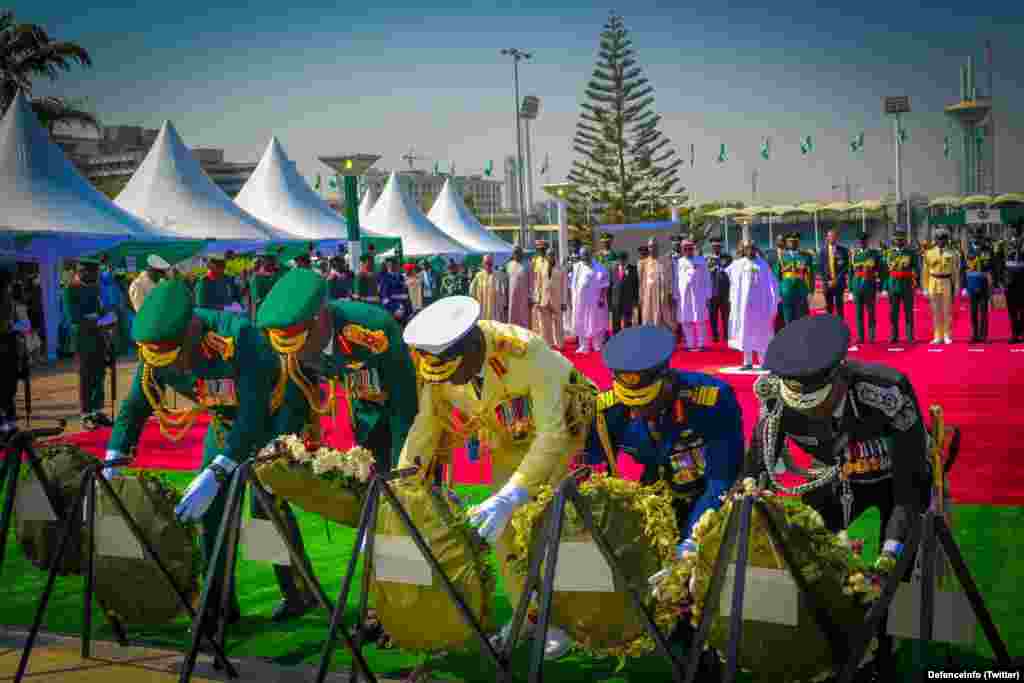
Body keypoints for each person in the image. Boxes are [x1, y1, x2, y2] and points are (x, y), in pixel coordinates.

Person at [105, 280, 320, 630]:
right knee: (212, 513)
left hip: (274, 412)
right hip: (225, 419)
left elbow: (253, 414)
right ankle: (218, 605)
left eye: (178, 354)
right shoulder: (160, 348)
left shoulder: (239, 338)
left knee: (265, 509)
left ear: (191, 329)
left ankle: (298, 592)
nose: (176, 366)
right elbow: (134, 407)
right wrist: (112, 463)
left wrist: (219, 470)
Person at [401, 296, 599, 660]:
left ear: (472, 347)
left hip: (566, 434)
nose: (448, 383)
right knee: (504, 536)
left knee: (553, 527)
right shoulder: (439, 365)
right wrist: (400, 488)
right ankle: (530, 616)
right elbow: (426, 427)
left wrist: (513, 494)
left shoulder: (524, 352)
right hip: (509, 440)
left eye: (452, 372)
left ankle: (573, 619)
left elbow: (553, 435)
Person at [745, 314, 932, 677]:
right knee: (807, 554)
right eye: (803, 407)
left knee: (896, 573)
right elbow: (758, 465)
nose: (812, 412)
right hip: (832, 477)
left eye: (819, 403)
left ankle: (888, 647)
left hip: (895, 479)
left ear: (840, 379)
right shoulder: (776, 394)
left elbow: (911, 486)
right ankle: (827, 640)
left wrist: (889, 557)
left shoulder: (887, 391)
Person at [585, 324, 743, 577]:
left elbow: (721, 478)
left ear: (666, 382)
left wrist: (693, 541)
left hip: (708, 501)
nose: (635, 411)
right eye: (630, 402)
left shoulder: (710, 400)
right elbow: (595, 472)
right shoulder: (612, 408)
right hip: (653, 501)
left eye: (645, 401)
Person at [62, 258, 114, 429]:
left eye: (96, 274)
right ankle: (86, 414)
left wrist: (108, 318)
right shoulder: (70, 290)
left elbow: (100, 311)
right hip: (82, 340)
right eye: (93, 274)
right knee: (86, 377)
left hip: (98, 338)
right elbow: (74, 319)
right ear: (82, 271)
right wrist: (97, 320)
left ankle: (97, 411)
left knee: (99, 375)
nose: (96, 277)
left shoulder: (95, 288)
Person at [725, 241, 779, 370]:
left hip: (761, 306)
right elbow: (728, 272)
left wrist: (773, 301)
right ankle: (747, 362)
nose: (750, 251)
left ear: (756, 250)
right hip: (745, 307)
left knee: (762, 333)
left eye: (752, 249)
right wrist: (738, 254)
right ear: (744, 250)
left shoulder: (763, 265)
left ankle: (763, 361)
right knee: (745, 332)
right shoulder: (739, 264)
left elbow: (772, 284)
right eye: (747, 249)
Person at [922, 229, 959, 345]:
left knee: (947, 311)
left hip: (946, 281)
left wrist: (957, 286)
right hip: (933, 282)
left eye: (943, 239)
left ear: (946, 240)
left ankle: (947, 335)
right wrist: (925, 288)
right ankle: (938, 336)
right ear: (936, 240)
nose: (941, 241)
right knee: (936, 312)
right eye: (939, 239)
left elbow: (955, 271)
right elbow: (925, 272)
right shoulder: (928, 253)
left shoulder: (953, 253)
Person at [571, 247, 610, 354]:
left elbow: (605, 285)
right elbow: (573, 284)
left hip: (595, 301)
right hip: (581, 302)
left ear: (590, 254)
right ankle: (584, 346)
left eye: (586, 254)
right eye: (583, 255)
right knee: (581, 322)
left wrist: (602, 298)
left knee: (597, 322)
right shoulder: (577, 267)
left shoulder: (600, 267)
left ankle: (597, 345)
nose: (585, 257)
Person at [676, 239, 712, 351]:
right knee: (686, 320)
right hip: (684, 295)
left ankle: (701, 344)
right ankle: (690, 344)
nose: (688, 250)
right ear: (682, 250)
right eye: (685, 248)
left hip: (699, 294)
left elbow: (707, 278)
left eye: (690, 248)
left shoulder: (701, 260)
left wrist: (708, 295)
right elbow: (676, 279)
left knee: (700, 319)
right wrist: (675, 295)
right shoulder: (679, 262)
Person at [882, 229, 918, 344]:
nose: (899, 241)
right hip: (893, 285)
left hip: (906, 285)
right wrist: (884, 286)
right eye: (897, 239)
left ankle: (910, 336)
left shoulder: (911, 252)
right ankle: (894, 335)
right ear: (894, 240)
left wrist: (916, 283)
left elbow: (916, 268)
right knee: (893, 312)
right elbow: (885, 271)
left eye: (901, 239)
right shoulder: (889, 253)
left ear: (905, 240)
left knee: (908, 312)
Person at [849, 232, 883, 344]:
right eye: (860, 241)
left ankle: (872, 335)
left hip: (870, 286)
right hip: (857, 286)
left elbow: (880, 271)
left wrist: (879, 288)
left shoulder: (874, 254)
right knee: (858, 313)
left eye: (864, 241)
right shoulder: (854, 255)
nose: (861, 243)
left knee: (871, 312)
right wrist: (850, 289)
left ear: (867, 242)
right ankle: (861, 336)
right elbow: (850, 273)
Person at [962, 228, 994, 343]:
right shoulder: (967, 251)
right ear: (972, 238)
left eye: (980, 237)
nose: (978, 239)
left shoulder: (988, 250)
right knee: (973, 311)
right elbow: (962, 268)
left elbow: (992, 267)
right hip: (971, 283)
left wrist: (993, 283)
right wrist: (964, 286)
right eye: (976, 237)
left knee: (984, 311)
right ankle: (974, 335)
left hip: (984, 283)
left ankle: (984, 336)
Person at [775, 232, 813, 326]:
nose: (792, 244)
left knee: (802, 318)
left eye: (795, 242)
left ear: (798, 243)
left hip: (801, 290)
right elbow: (777, 275)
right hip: (786, 290)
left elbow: (810, 274)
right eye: (790, 242)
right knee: (788, 318)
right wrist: (777, 292)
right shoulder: (781, 256)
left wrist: (811, 291)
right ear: (786, 243)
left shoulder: (806, 256)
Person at [638, 238, 673, 329]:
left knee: (663, 320)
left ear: (658, 247)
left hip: (662, 296)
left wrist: (669, 293)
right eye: (650, 246)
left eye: (654, 246)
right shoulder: (643, 263)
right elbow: (641, 282)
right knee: (648, 319)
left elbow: (669, 280)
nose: (652, 248)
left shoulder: (665, 261)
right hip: (648, 297)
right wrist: (641, 297)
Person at [536, 248, 566, 348]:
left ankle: (560, 343)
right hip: (544, 299)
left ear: (555, 256)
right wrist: (538, 299)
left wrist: (564, 302)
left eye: (552, 255)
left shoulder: (561, 268)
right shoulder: (541, 267)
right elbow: (538, 284)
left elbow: (564, 286)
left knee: (558, 322)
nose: (551, 257)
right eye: (549, 255)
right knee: (546, 324)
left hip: (557, 299)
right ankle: (548, 343)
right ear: (547, 256)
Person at [819, 229, 850, 321]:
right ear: (827, 238)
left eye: (834, 236)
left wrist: (836, 279)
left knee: (840, 307)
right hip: (827, 284)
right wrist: (827, 281)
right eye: (830, 236)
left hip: (839, 283)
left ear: (837, 237)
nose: (832, 238)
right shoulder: (822, 251)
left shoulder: (843, 250)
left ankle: (841, 328)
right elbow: (820, 267)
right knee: (829, 308)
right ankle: (830, 328)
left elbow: (846, 267)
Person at [706, 236, 731, 343]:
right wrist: (711, 269)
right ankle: (715, 335)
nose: (716, 248)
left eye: (718, 246)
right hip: (712, 290)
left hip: (725, 290)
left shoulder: (727, 257)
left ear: (721, 247)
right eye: (714, 246)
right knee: (713, 315)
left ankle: (726, 334)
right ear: (712, 247)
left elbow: (731, 271)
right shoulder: (707, 258)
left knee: (726, 315)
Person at [470, 254, 508, 322]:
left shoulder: (498, 275)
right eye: (486, 263)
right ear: (483, 264)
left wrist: (503, 305)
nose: (488, 265)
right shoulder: (478, 276)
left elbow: (502, 292)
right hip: (482, 308)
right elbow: (472, 291)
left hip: (494, 309)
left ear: (492, 264)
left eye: (490, 263)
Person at [609, 250, 639, 334]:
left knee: (627, 323)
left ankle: (627, 339)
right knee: (616, 323)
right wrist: (609, 302)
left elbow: (635, 286)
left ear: (627, 259)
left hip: (627, 301)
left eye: (623, 259)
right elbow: (610, 286)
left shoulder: (633, 269)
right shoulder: (612, 269)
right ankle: (616, 340)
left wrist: (635, 301)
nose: (621, 261)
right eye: (619, 259)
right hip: (616, 300)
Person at [1005, 222, 1024, 343]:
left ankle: (1021, 333)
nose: (1014, 231)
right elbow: (999, 261)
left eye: (1017, 229)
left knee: (1022, 308)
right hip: (1010, 278)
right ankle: (1014, 334)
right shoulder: (1005, 243)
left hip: (1022, 277)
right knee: (1012, 309)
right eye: (1012, 228)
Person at [378, 257, 410, 324]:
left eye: (394, 264)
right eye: (389, 265)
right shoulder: (384, 278)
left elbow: (406, 294)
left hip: (405, 309)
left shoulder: (401, 277)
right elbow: (384, 298)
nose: (391, 266)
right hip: (393, 311)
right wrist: (395, 308)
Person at [505, 246, 531, 329]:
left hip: (524, 297)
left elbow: (532, 282)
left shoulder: (528, 264)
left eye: (518, 252)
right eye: (515, 253)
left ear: (522, 253)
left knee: (523, 318)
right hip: (512, 297)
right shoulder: (509, 265)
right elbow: (506, 282)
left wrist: (531, 297)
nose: (517, 254)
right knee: (512, 317)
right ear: (513, 254)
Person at [529, 239, 550, 337]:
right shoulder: (535, 261)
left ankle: (547, 340)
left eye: (543, 249)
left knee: (547, 319)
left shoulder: (550, 261)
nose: (541, 251)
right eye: (539, 249)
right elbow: (533, 278)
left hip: (547, 294)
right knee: (537, 319)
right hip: (537, 293)